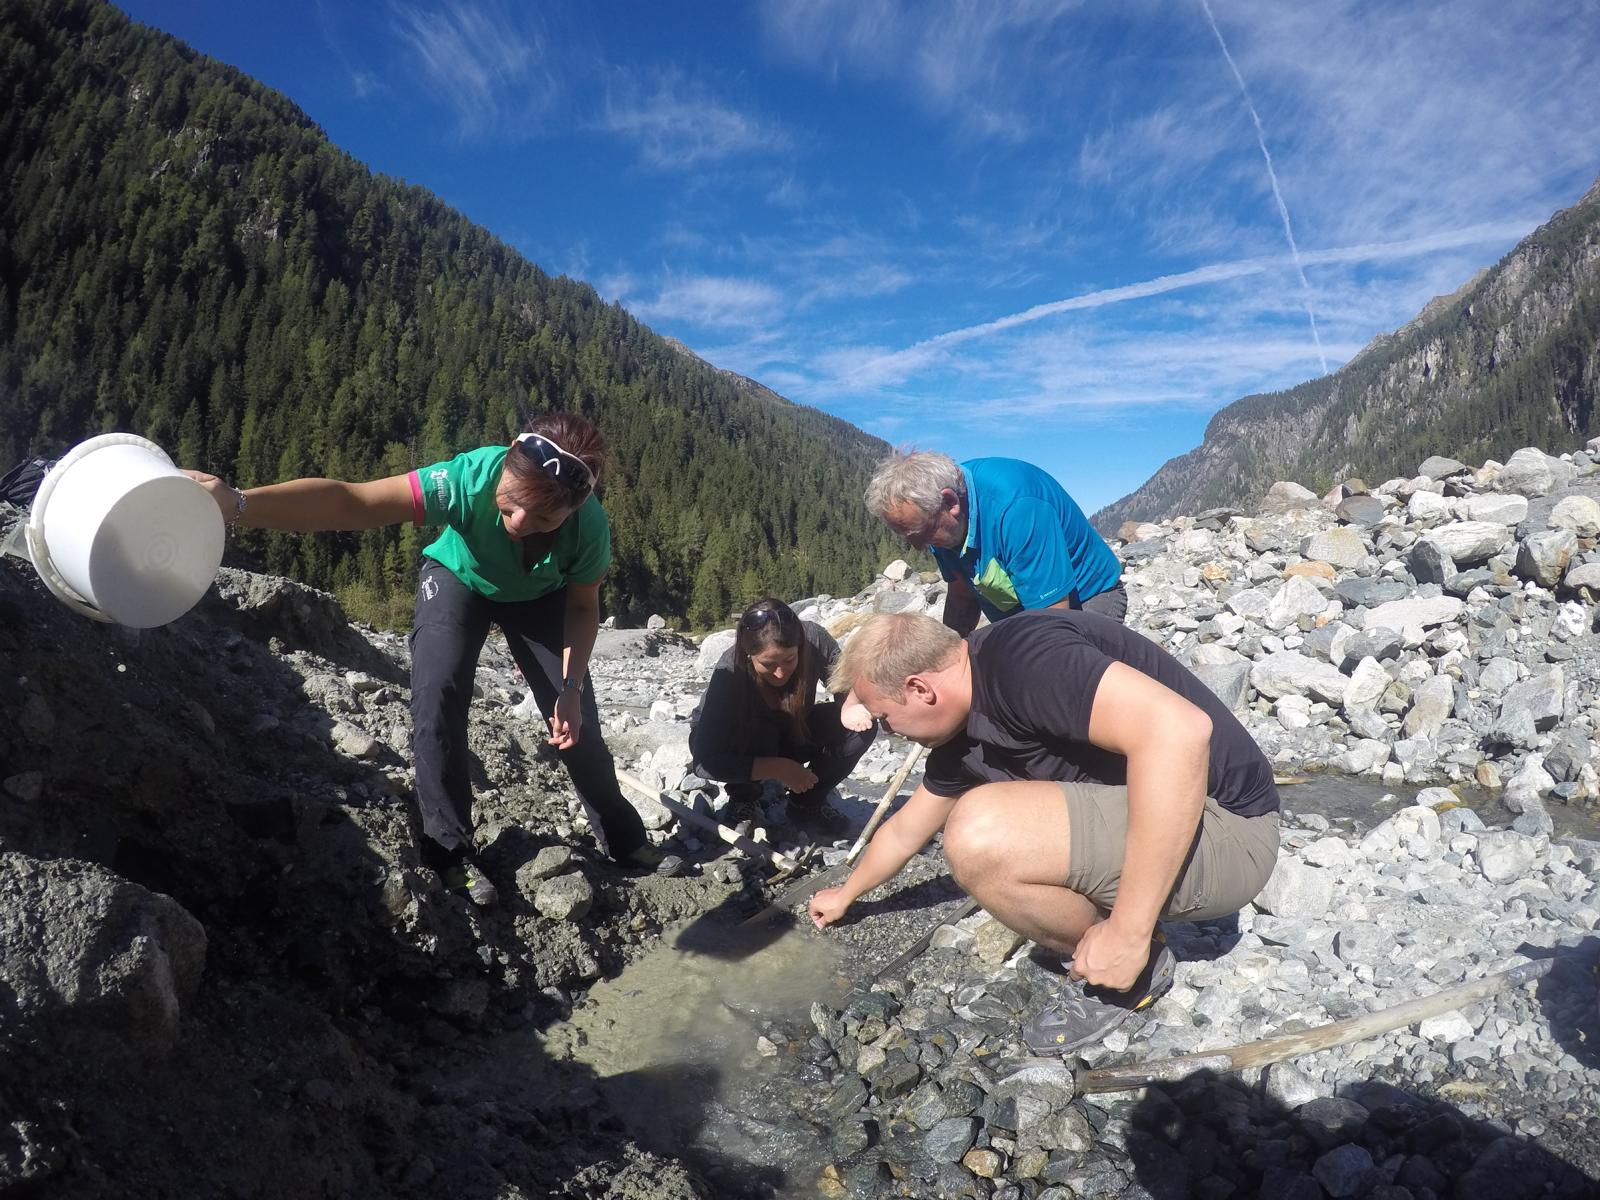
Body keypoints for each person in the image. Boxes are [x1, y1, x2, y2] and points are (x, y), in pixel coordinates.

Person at [186, 412, 673, 906]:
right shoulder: (466, 479)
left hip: (540, 597)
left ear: (572, 510)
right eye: (513, 503)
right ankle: (449, 851)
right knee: (437, 694)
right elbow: (353, 501)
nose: (520, 523)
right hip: (459, 579)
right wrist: (239, 503)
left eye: (544, 518)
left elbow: (584, 606)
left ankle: (625, 840)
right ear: (507, 457)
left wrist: (569, 691)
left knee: (578, 719)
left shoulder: (588, 528)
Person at [813, 610, 1279, 1053]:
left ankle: (1132, 962)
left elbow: (1180, 731)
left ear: (919, 688)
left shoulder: (1023, 660)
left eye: (885, 718)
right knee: (980, 822)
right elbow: (904, 831)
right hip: (1187, 826)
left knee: (980, 832)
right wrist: (846, 893)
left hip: (1229, 832)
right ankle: (1102, 941)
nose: (888, 732)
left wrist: (1128, 932)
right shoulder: (963, 729)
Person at [865, 450, 1126, 634]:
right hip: (1022, 610)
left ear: (950, 503)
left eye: (921, 534)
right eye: (909, 536)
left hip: (1087, 596)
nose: (919, 546)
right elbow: (962, 594)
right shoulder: (934, 515)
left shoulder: (1016, 507)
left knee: (1066, 686)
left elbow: (1054, 623)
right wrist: (947, 656)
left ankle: (1144, 670)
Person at [689, 598, 877, 834]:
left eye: (789, 660)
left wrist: (850, 705)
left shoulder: (814, 639)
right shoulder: (730, 670)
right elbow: (704, 761)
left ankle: (807, 802)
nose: (779, 673)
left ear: (799, 645)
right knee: (756, 729)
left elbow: (846, 686)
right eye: (768, 664)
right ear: (749, 656)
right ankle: (744, 798)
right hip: (741, 742)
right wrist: (779, 769)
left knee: (862, 727)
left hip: (791, 729)